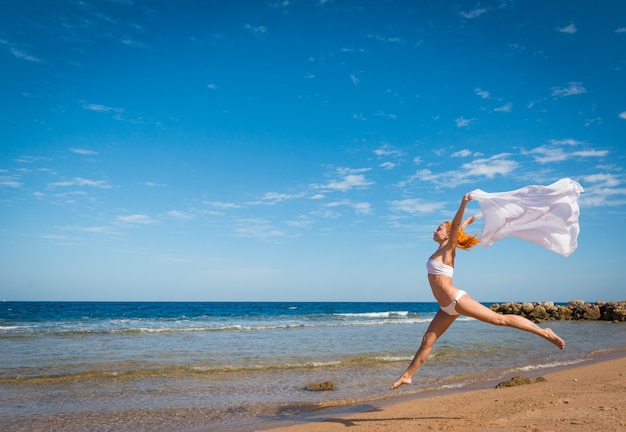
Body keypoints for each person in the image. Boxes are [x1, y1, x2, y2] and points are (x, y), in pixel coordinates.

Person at [390, 193, 565, 391]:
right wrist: (466, 222)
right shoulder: (443, 247)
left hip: (456, 300)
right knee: (427, 340)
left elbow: (454, 228)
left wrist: (463, 204)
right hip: (446, 308)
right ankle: (407, 376)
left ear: (447, 234)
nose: (434, 230)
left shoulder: (449, 248)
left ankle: (543, 332)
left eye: (438, 228)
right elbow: (457, 229)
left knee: (499, 320)